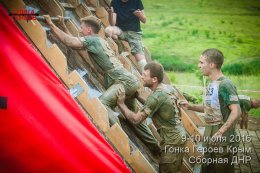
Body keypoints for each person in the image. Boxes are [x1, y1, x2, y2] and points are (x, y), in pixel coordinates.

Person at [43, 15, 159, 153]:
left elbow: (70, 42)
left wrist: (51, 24)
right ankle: (156, 148)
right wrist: (62, 25)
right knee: (135, 119)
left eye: (81, 27)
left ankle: (121, 140)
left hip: (122, 81)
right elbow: (75, 43)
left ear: (88, 30)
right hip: (128, 80)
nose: (80, 30)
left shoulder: (92, 41)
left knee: (103, 105)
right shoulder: (99, 40)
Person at [117, 62, 186, 173]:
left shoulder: (155, 97)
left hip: (172, 141)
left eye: (144, 75)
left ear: (154, 79)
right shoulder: (168, 89)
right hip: (179, 136)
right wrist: (138, 97)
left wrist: (121, 104)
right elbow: (156, 107)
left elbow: (136, 120)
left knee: (166, 170)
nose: (141, 77)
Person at [180, 48, 241, 173]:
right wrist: (190, 106)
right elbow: (209, 108)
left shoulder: (226, 85)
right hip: (209, 140)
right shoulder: (211, 83)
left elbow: (236, 111)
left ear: (212, 65)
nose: (199, 66)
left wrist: (220, 133)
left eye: (201, 62)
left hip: (223, 141)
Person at [108, 0, 147, 72]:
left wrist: (139, 15)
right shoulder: (114, 2)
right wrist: (110, 13)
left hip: (134, 32)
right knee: (108, 30)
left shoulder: (137, 1)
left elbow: (144, 20)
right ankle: (118, 44)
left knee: (142, 61)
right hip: (120, 31)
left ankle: (147, 78)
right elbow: (112, 23)